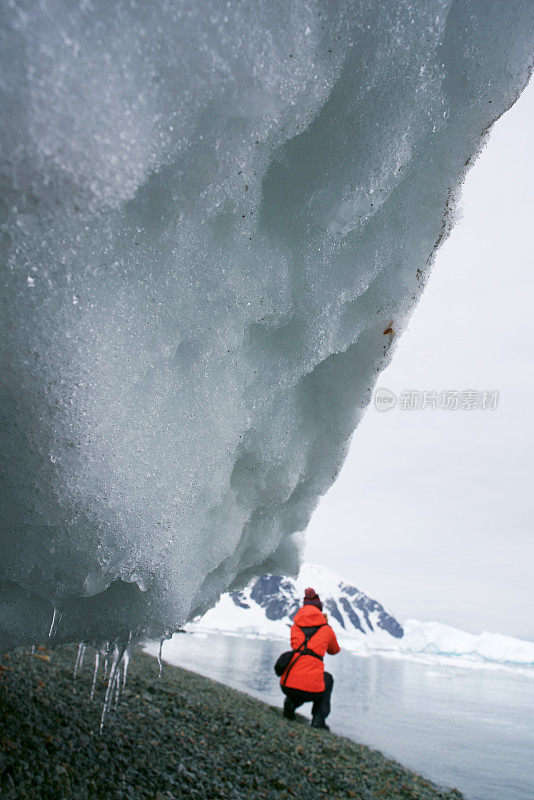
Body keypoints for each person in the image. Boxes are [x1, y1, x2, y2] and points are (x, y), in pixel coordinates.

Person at [280, 587, 340, 729]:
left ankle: (291, 703)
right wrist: (326, 625)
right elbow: (334, 650)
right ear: (319, 609)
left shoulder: (295, 626)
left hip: (287, 686)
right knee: (327, 679)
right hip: (312, 690)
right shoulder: (325, 629)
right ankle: (318, 720)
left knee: (299, 676)